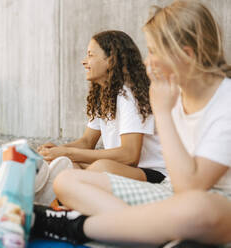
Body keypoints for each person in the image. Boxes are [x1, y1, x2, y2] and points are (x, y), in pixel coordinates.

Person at [31, 0, 231, 246]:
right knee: (67, 181)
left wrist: (164, 114)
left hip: (211, 203)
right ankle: (154, 235)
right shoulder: (176, 95)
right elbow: (174, 188)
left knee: (198, 208)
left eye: (155, 52)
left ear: (185, 55)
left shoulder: (224, 102)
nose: (147, 62)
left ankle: (75, 225)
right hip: (169, 194)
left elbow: (189, 188)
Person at [38, 30, 166, 183]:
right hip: (122, 169)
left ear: (111, 60)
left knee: (100, 167)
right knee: (65, 163)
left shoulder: (129, 95)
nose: (84, 61)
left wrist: (68, 153)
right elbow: (86, 142)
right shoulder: (105, 94)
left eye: (90, 55)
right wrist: (56, 152)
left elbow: (130, 155)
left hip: (153, 174)